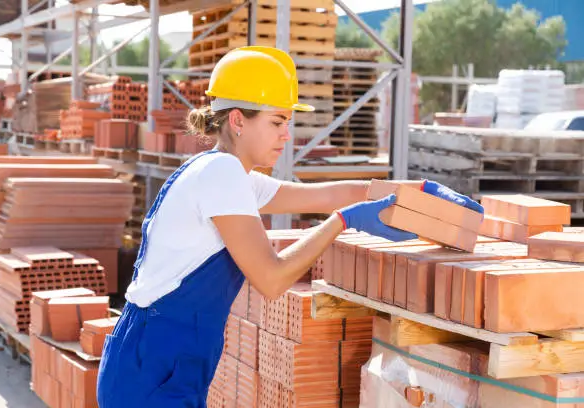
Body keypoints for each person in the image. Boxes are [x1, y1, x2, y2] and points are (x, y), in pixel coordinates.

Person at [96, 46, 483, 407]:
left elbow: (323, 195)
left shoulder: (229, 173)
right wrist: (343, 222)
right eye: (277, 121)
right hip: (152, 366)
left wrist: (416, 192)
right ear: (237, 120)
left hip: (157, 356)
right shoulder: (221, 175)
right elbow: (272, 278)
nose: (287, 134)